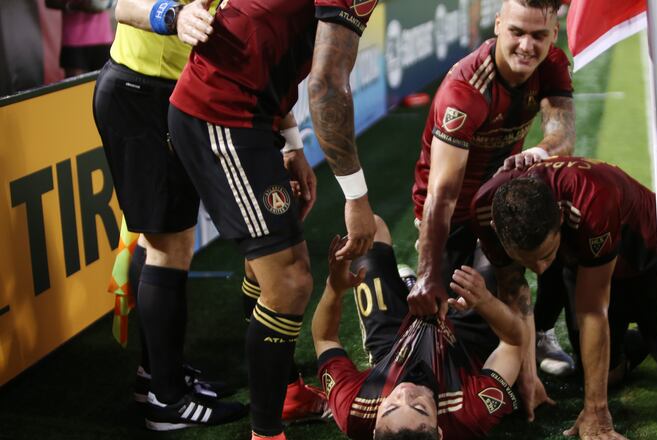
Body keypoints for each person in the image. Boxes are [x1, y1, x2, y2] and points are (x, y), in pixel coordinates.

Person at [93, 0, 326, 432]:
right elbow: (122, 6)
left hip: (183, 93)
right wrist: (173, 17)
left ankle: (157, 376)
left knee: (166, 242)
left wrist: (291, 138)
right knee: (167, 245)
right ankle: (165, 398)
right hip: (141, 92)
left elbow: (258, 57)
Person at [166, 1, 378, 438]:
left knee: (272, 266)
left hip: (249, 114)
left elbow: (270, 42)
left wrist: (289, 141)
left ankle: (286, 394)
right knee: (290, 282)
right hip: (221, 114)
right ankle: (266, 432)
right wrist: (357, 197)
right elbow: (325, 85)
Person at [408, 0, 576, 400]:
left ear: (553, 34)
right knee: (460, 335)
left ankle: (541, 337)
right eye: (517, 32)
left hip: (499, 202)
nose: (526, 46)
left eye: (538, 36)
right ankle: (410, 281)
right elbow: (442, 195)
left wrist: (537, 154)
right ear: (498, 24)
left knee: (558, 238)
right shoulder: (464, 90)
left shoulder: (552, 62)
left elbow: (562, 135)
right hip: (448, 215)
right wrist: (431, 271)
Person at [470, 156, 657, 439]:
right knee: (607, 376)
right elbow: (512, 288)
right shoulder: (486, 209)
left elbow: (593, 310)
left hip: (653, 257)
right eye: (528, 262)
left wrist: (596, 409)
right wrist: (528, 373)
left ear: (560, 217)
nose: (541, 269)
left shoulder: (593, 198)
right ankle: (651, 338)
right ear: (497, 231)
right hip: (585, 261)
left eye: (547, 256)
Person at [312, 216, 522, 439]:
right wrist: (485, 301)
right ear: (439, 432)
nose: (404, 393)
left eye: (391, 408)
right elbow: (514, 342)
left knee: (368, 228)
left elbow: (324, 339)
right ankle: (412, 288)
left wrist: (334, 287)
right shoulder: (469, 412)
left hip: (392, 346)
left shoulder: (355, 410)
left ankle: (410, 290)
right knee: (498, 227)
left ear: (373, 432)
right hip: (463, 343)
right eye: (420, 407)